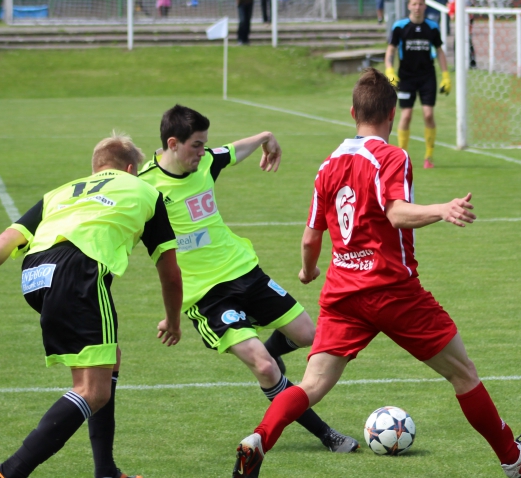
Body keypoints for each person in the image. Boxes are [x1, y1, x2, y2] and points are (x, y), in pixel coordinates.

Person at [232, 68, 521, 478]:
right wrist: (442, 209)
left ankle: (259, 438)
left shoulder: (327, 165)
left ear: (353, 113)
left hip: (342, 294)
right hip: (392, 291)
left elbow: (311, 237)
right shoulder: (392, 156)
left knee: (310, 386)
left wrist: (307, 270)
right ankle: (512, 455)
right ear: (392, 114)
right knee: (462, 373)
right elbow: (396, 212)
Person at [0, 133, 184, 478]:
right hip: (78, 272)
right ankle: (11, 472)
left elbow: (10, 236)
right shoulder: (145, 190)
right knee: (92, 390)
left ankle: (106, 474)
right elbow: (170, 271)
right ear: (130, 168)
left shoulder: (62, 192)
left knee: (108, 359)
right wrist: (173, 320)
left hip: (35, 275)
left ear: (96, 168)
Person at [138, 104, 360, 455]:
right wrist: (172, 315)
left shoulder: (206, 162)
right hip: (208, 297)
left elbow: (233, 150)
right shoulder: (145, 187)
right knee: (264, 367)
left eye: (204, 144)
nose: (203, 152)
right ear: (173, 143)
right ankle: (327, 434)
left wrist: (266, 138)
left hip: (245, 271)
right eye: (196, 145)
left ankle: (270, 348)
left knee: (309, 336)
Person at [385, 0, 451, 170]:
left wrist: (446, 75)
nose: (417, 7)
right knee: (406, 115)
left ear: (425, 6)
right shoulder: (400, 27)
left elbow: (440, 51)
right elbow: (391, 50)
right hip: (406, 77)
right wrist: (389, 70)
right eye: (414, 4)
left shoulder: (432, 27)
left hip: (427, 77)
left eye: (420, 4)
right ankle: (402, 158)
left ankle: (429, 156)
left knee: (428, 115)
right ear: (409, 6)